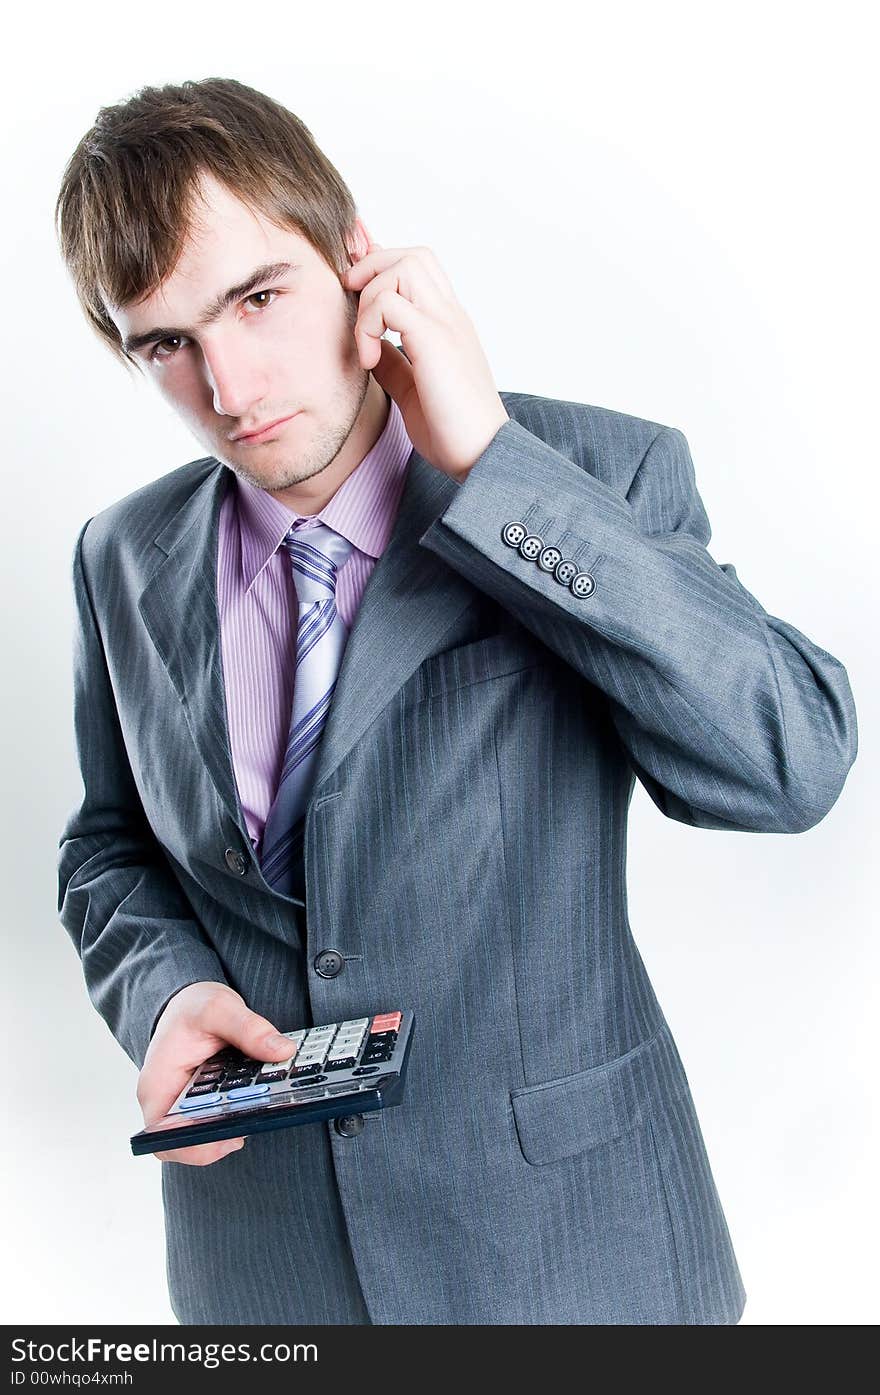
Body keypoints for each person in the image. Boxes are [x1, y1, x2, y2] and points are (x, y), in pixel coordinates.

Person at [55, 77, 857, 1327]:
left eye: (258, 299)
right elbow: (107, 844)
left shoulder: (588, 477)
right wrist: (161, 993)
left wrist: (492, 466)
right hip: (265, 1266)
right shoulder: (121, 555)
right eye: (165, 343)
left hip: (567, 1259)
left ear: (356, 256)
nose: (229, 385)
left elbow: (788, 761)